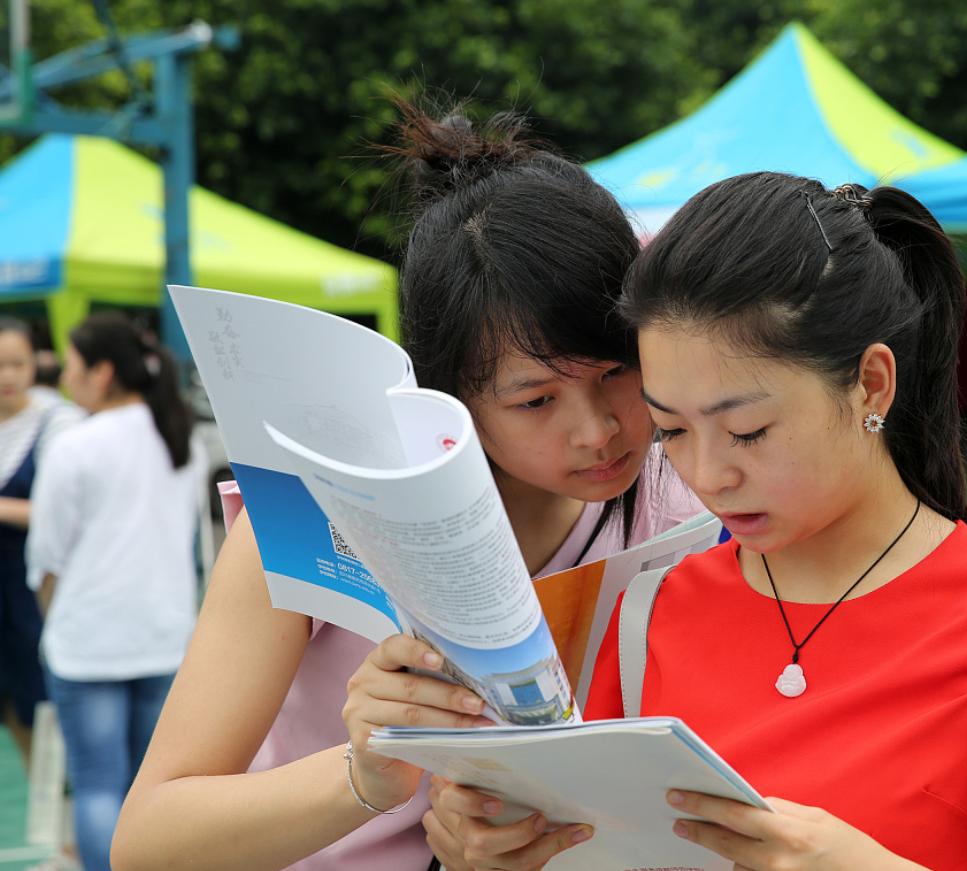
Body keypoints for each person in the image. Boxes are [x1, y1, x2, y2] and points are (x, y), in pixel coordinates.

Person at [419, 176, 967, 871]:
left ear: (870, 383)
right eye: (671, 430)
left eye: (747, 431)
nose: (709, 474)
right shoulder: (648, 613)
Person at [113, 105, 701, 871]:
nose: (597, 430)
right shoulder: (313, 511)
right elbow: (149, 839)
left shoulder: (691, 500)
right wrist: (362, 776)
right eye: (535, 400)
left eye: (616, 370)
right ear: (450, 394)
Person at [25, 313, 205, 871]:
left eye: (72, 365)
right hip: (165, 635)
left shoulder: (76, 445)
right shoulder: (181, 439)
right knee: (150, 789)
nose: (64, 377)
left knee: (98, 785)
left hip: (89, 639)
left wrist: (53, 618)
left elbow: (46, 557)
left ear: (101, 372)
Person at [0, 318, 83, 769]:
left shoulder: (58, 422)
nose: (8, 375)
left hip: (31, 588)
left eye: (18, 363)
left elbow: (63, 511)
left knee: (40, 697)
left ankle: (51, 796)